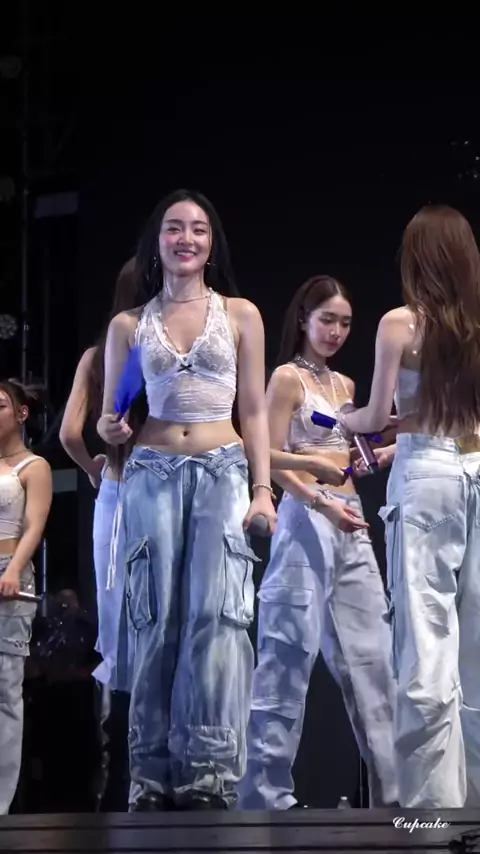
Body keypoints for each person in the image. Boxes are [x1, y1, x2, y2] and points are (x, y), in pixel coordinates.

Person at [97, 188, 279, 812]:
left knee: (215, 619)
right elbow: (113, 415)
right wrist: (111, 427)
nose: (186, 239)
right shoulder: (130, 325)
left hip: (222, 469)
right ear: (157, 242)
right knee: (154, 620)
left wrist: (262, 490)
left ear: (211, 243)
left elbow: (254, 410)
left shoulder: (241, 314)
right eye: (174, 228)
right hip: (151, 471)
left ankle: (209, 774)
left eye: (198, 229)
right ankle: (149, 776)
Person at [238, 275, 398, 810]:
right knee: (287, 655)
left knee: (375, 661)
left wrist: (376, 454)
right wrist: (317, 498)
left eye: (345, 323)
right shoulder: (287, 378)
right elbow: (263, 453)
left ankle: (396, 800)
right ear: (304, 318)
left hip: (351, 518)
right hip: (306, 517)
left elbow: (344, 457)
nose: (335, 331)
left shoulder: (345, 385)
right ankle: (264, 795)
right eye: (327, 319)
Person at [338, 205, 480, 808]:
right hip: (475, 464)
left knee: (424, 639)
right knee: (476, 645)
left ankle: (431, 818)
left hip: (427, 480)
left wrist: (346, 420)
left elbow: (374, 416)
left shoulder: (401, 323)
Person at [59, 257, 142, 810]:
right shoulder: (162, 347)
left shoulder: (96, 355)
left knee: (117, 626)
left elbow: (70, 433)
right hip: (165, 486)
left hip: (116, 490)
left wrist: (94, 469)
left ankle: (116, 776)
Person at [0, 379, 52, 815]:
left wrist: (15, 568)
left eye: (0, 405)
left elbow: (34, 525)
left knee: (4, 688)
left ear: (21, 413)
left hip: (8, 570)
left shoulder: (33, 466)